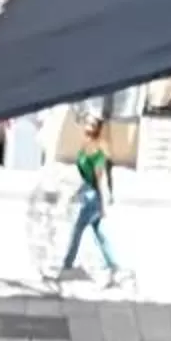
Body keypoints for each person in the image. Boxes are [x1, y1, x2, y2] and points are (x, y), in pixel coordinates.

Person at [60, 112, 123, 279]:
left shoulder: (97, 151)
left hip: (94, 197)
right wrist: (77, 192)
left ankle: (67, 265)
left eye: (90, 124)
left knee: (77, 230)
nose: (85, 126)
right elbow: (86, 176)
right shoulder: (85, 145)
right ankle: (114, 264)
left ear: (95, 129)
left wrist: (103, 205)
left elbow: (100, 180)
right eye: (85, 123)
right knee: (99, 232)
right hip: (89, 193)